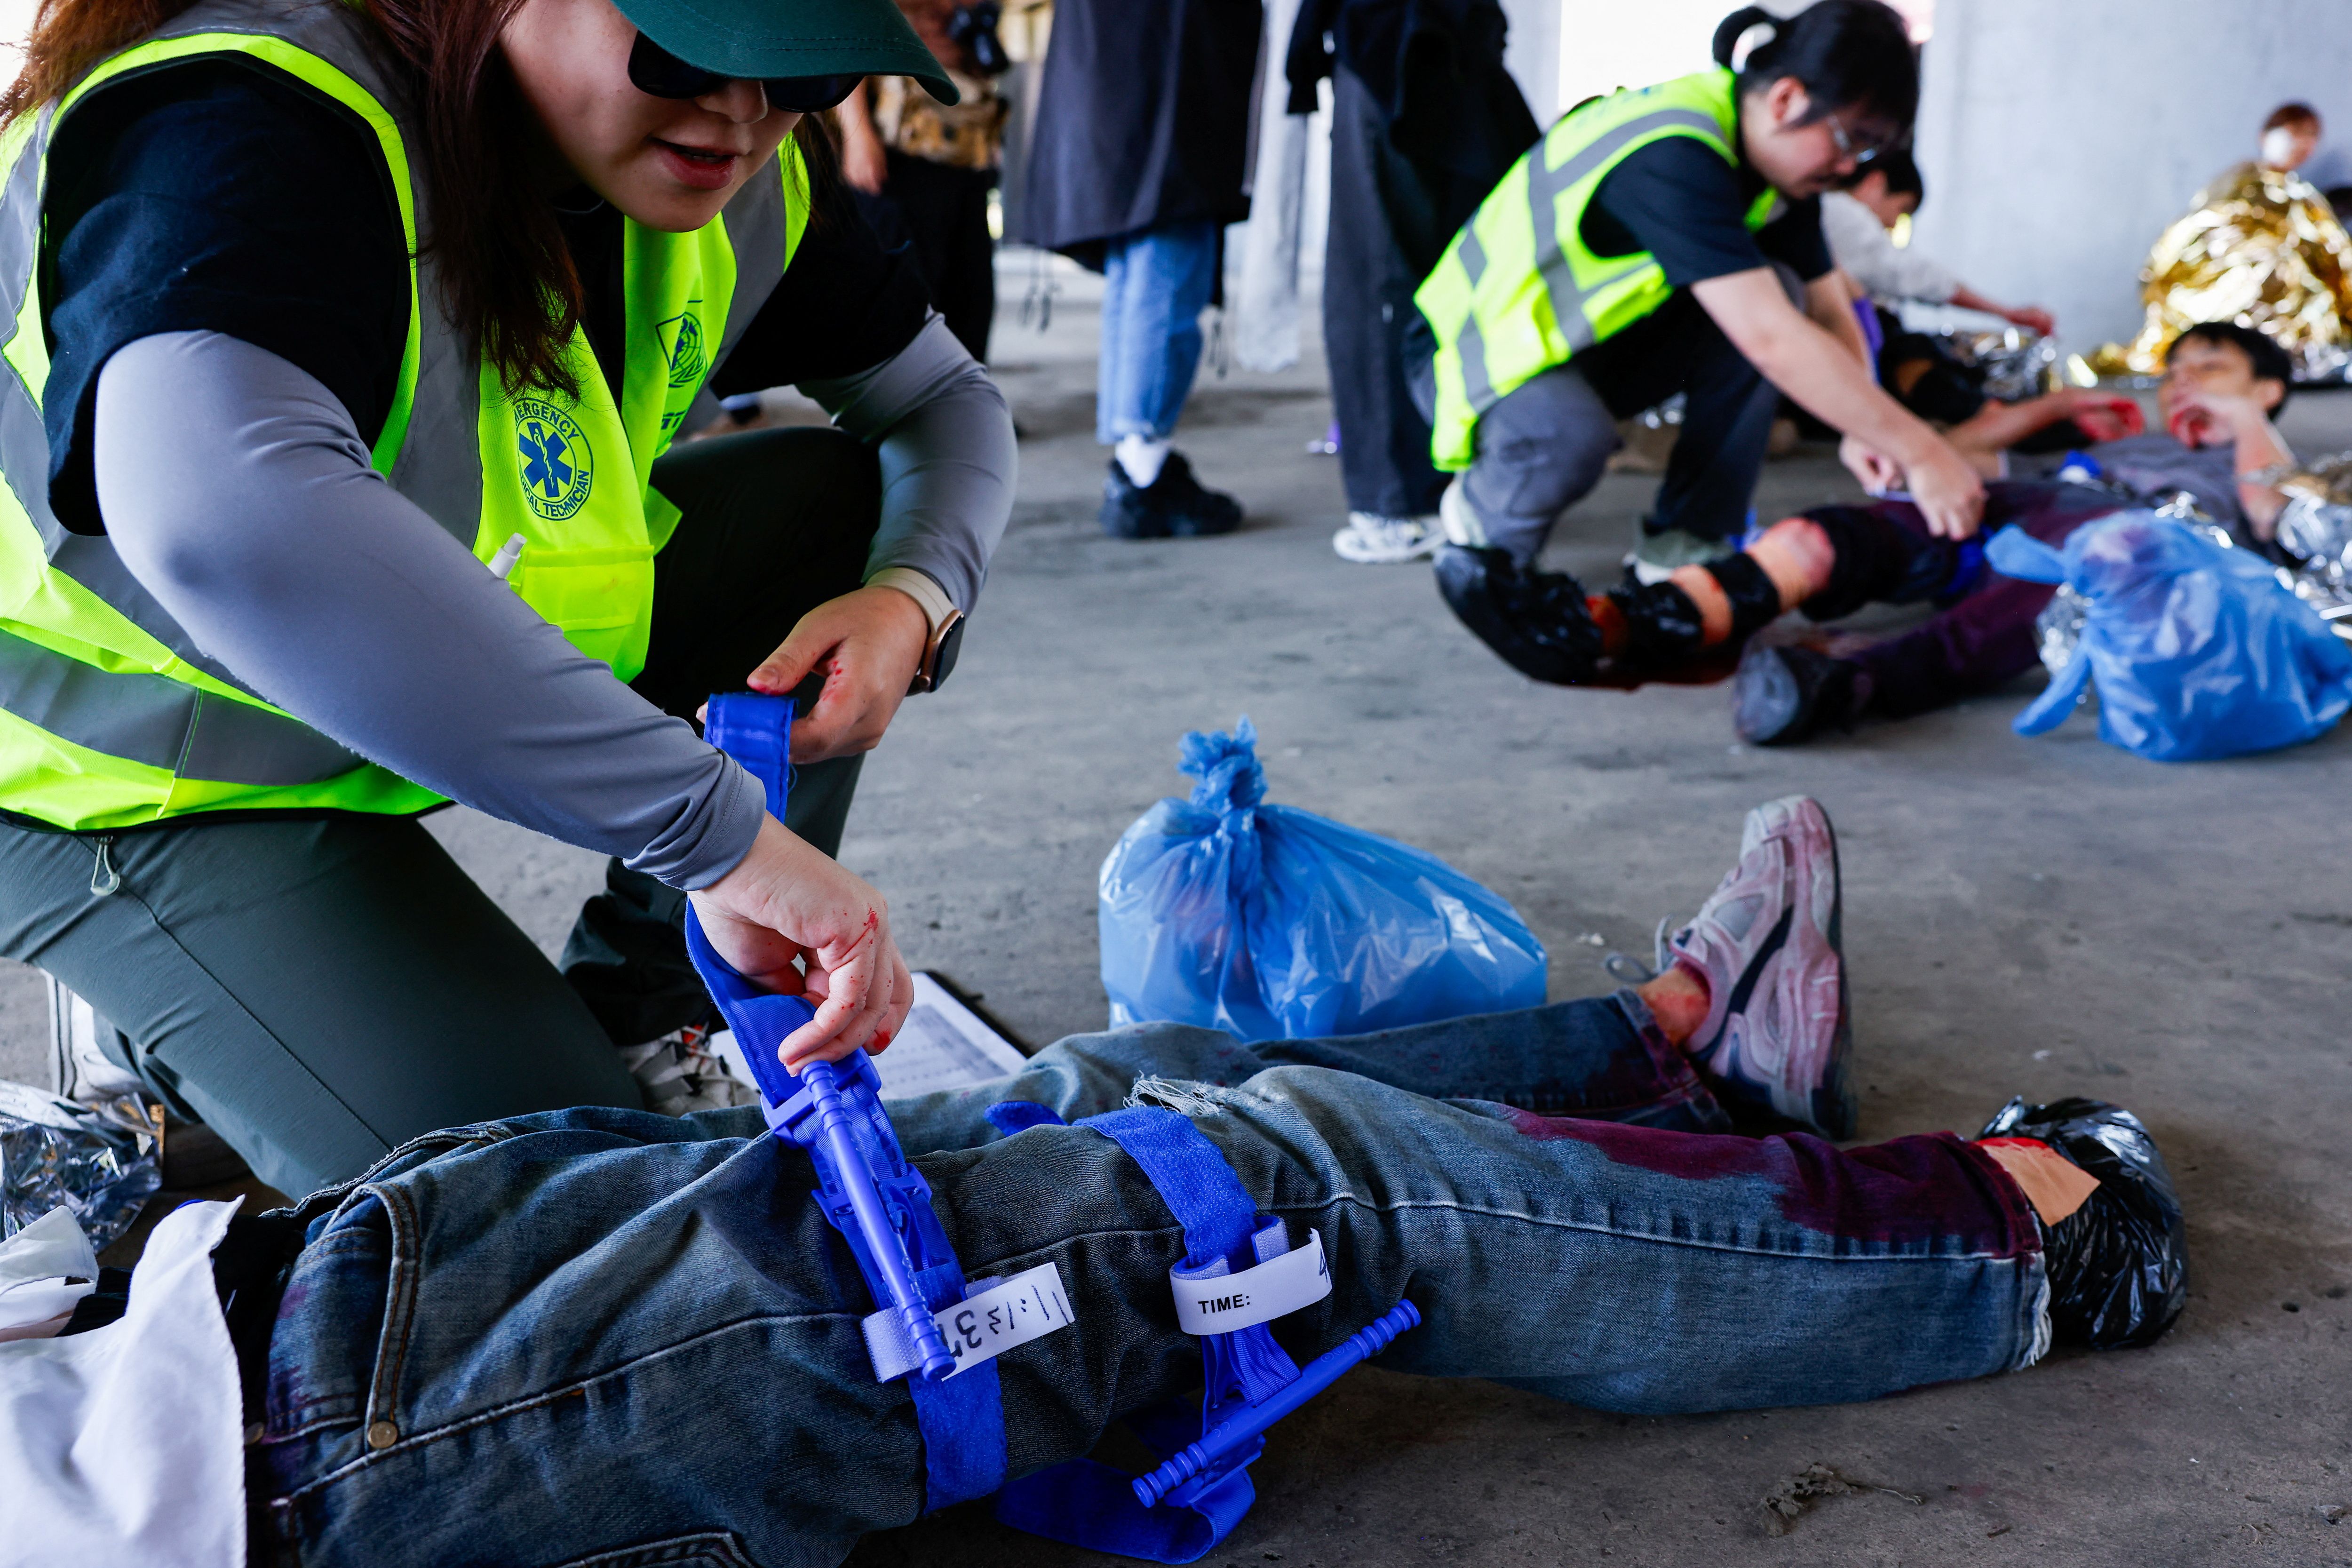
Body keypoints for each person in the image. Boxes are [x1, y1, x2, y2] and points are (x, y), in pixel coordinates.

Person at [4, 796, 2188, 1565]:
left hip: (289, 1312)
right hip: (329, 1466)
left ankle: (1684, 1067)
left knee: (1114, 1085)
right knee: (1281, 1200)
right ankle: (2018, 1249)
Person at [0, 0, 1020, 1197]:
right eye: (697, 49)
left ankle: (657, 1008)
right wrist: (717, 835)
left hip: (391, 693)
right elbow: (223, 520)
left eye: (802, 69)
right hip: (126, 777)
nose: (744, 112)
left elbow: (945, 401)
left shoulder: (726, 161)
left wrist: (911, 597)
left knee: (832, 509)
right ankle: (170, 1008)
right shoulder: (249, 117)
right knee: (559, 1206)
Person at [1417, 1, 1995, 691]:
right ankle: (1482, 527)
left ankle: (1683, 549)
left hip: (1575, 349)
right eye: (1852, 141)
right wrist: (1922, 450)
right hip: (1473, 352)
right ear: (1787, 98)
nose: (1850, 168)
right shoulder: (1675, 153)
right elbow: (1771, 341)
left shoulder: (1776, 174)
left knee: (1777, 287)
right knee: (1570, 438)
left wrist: (1860, 424)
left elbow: (1827, 303)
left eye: (1869, 153)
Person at [1551, 323, 2296, 744]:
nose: (2183, 382)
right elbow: (1956, 460)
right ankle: (1672, 617)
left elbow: (2272, 517)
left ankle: (1848, 682)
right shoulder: (2113, 448)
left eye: (2211, 366)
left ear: (2268, 389)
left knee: (2076, 567)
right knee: (1857, 530)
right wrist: (2052, 408)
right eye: (2174, 370)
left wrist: (2246, 422)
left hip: (2112, 549)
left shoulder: (2274, 468)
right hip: (2023, 507)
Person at [1284, 0, 1539, 566]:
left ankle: (1411, 496)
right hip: (1404, 49)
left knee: (1418, 283)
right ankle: (1402, 499)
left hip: (1431, 50)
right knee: (1395, 283)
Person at [1016, 0, 1262, 539]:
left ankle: (1136, 459)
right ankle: (1143, 473)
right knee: (1165, 260)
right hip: (1167, 65)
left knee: (1142, 269)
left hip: (1129, 70)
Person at [2094, 102, 2352, 382]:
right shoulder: (2240, 181)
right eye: (2296, 131)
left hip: (2291, 285)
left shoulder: (2303, 196)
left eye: (2312, 135)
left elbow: (2335, 250)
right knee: (2265, 268)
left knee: (2297, 279)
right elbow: (2196, 224)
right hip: (2232, 275)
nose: (2303, 142)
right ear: (2266, 136)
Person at [1822, 150, 2068, 430]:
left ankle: (1989, 414)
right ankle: (1992, 418)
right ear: (1876, 183)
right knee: (1912, 351)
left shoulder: (1830, 212)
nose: (1893, 224)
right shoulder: (1842, 211)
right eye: (1902, 210)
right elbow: (1909, 274)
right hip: (1852, 339)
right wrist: (2006, 312)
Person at [834, 2, 1011, 362]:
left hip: (964, 146)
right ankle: (899, 413)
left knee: (971, 292)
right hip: (900, 150)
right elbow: (851, 34)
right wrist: (857, 134)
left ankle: (966, 405)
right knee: (907, 291)